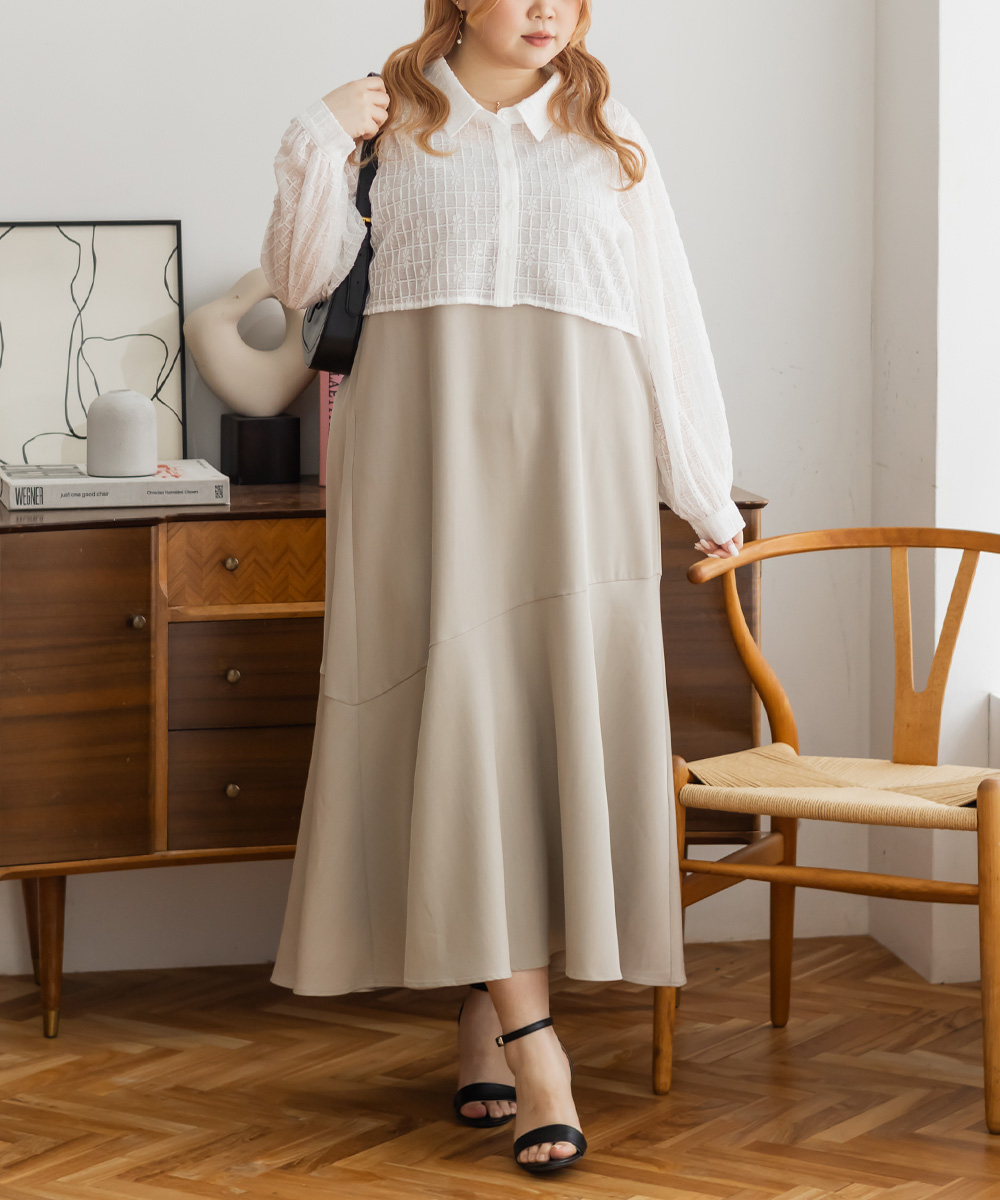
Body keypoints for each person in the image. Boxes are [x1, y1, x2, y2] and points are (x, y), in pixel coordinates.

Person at [260, 0, 744, 1176]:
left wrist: (702, 489)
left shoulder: (607, 131)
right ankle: (539, 1054)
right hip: (421, 454)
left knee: (535, 730)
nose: (544, 11)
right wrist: (318, 131)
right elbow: (299, 279)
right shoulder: (385, 121)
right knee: (455, 724)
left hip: (576, 456)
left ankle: (487, 1012)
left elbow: (664, 316)